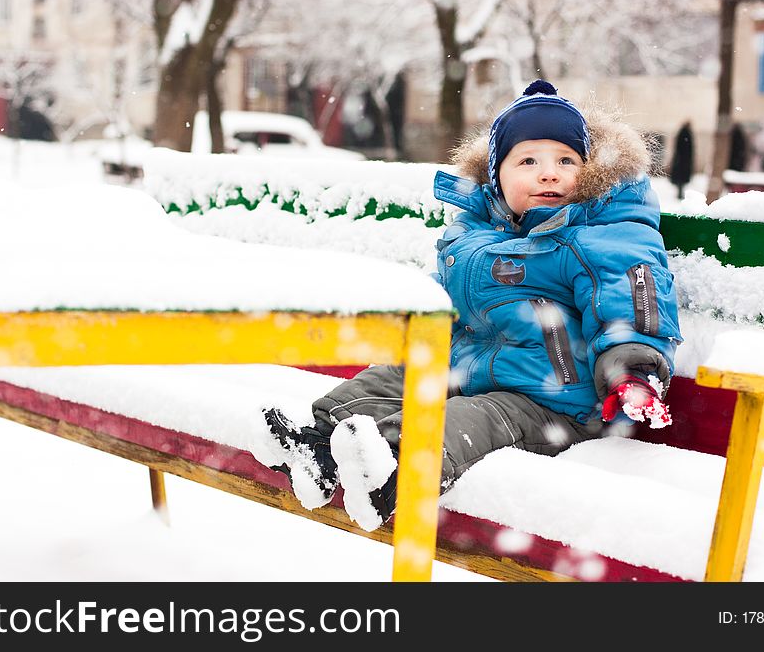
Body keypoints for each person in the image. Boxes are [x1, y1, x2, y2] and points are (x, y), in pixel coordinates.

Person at [263, 80, 682, 532]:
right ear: (497, 177)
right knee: (393, 375)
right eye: (528, 162)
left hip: (553, 402)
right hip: (470, 373)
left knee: (467, 418)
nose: (549, 173)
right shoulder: (475, 235)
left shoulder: (597, 231)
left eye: (566, 160)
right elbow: (437, 299)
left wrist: (632, 374)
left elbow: (633, 299)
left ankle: (394, 470)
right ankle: (319, 446)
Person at [669, 120, 694, 200]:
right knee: (681, 179)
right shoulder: (685, 133)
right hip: (682, 161)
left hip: (682, 161)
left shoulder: (683, 133)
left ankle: (680, 193)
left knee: (681, 180)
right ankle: (680, 194)